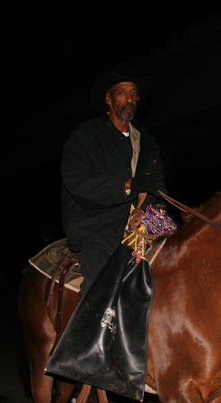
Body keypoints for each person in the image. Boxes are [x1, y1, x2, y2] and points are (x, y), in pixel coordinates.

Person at [61, 63, 167, 295]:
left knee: (183, 254)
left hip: (142, 218)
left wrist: (155, 208)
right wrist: (128, 185)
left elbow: (157, 187)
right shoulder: (86, 135)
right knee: (101, 288)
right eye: (122, 92)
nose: (129, 98)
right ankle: (90, 329)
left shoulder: (148, 143)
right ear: (108, 99)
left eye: (133, 93)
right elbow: (77, 180)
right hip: (98, 224)